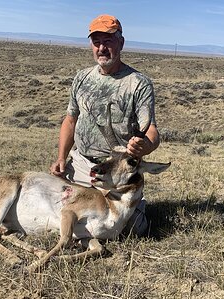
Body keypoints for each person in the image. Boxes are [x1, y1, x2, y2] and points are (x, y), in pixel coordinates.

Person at [50, 14, 160, 236]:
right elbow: (70, 120)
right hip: (83, 165)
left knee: (132, 230)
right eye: (96, 41)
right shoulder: (82, 78)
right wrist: (62, 158)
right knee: (58, 214)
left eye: (108, 41)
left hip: (118, 169)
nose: (102, 47)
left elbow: (152, 130)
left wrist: (145, 146)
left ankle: (131, 206)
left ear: (121, 42)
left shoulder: (138, 83)